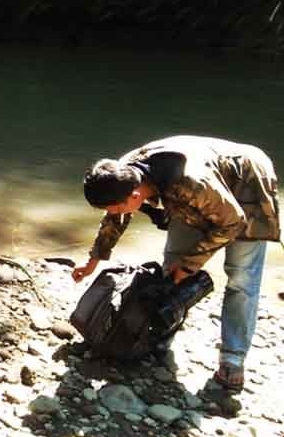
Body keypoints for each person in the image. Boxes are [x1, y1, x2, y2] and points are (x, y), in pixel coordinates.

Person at [73, 135, 280, 391]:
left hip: (247, 179)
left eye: (117, 208)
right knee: (171, 268)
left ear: (136, 195)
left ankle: (232, 361)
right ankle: (157, 339)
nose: (114, 214)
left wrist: (190, 265)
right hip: (200, 187)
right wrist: (94, 259)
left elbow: (232, 223)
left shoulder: (190, 183)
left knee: (241, 277)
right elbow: (115, 217)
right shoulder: (120, 174)